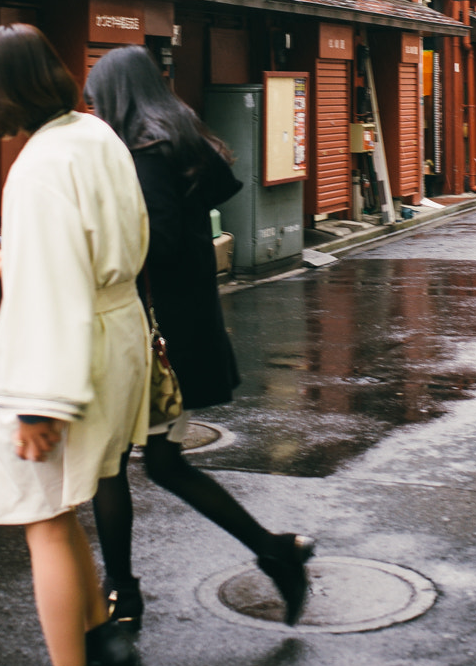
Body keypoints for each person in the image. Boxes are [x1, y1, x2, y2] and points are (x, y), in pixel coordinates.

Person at [0, 24, 151, 666]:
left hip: (62, 359)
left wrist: (39, 403)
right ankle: (107, 658)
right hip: (113, 339)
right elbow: (96, 246)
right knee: (64, 509)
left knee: (40, 517)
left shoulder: (36, 166)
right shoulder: (95, 136)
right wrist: (21, 259)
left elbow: (57, 291)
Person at [83, 46, 315, 626]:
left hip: (151, 330)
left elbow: (153, 242)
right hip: (183, 323)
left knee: (109, 463)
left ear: (115, 98)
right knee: (161, 463)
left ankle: (124, 596)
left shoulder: (146, 153)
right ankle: (275, 552)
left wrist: (94, 244)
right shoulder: (179, 140)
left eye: (94, 99)